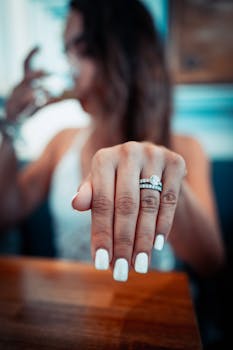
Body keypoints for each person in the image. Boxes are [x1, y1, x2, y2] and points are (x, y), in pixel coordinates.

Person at [0, 0, 225, 282]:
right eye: (65, 50)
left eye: (77, 48)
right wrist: (9, 124)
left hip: (151, 309)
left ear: (117, 52)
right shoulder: (62, 142)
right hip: (68, 309)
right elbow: (6, 212)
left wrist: (167, 188)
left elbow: (211, 261)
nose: (68, 63)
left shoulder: (184, 149)